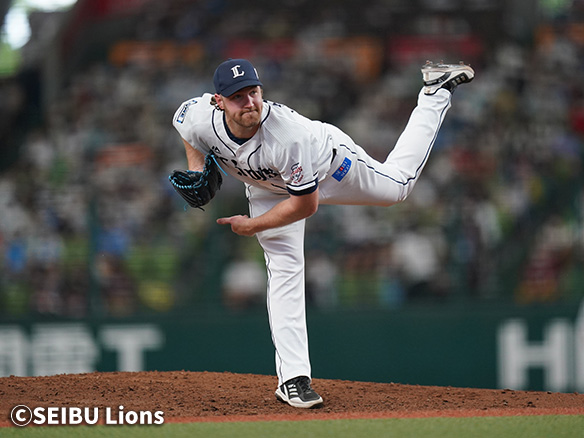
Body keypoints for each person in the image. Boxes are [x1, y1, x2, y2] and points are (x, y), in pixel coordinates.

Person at [172, 58, 474, 408]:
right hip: (267, 187)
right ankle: (293, 379)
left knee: (398, 188)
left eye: (253, 92)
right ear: (218, 101)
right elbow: (185, 127)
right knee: (284, 268)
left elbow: (305, 205)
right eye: (238, 97)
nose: (250, 102)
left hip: (330, 169)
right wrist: (196, 169)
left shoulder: (288, 135)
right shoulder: (198, 115)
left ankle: (435, 92)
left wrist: (252, 225)